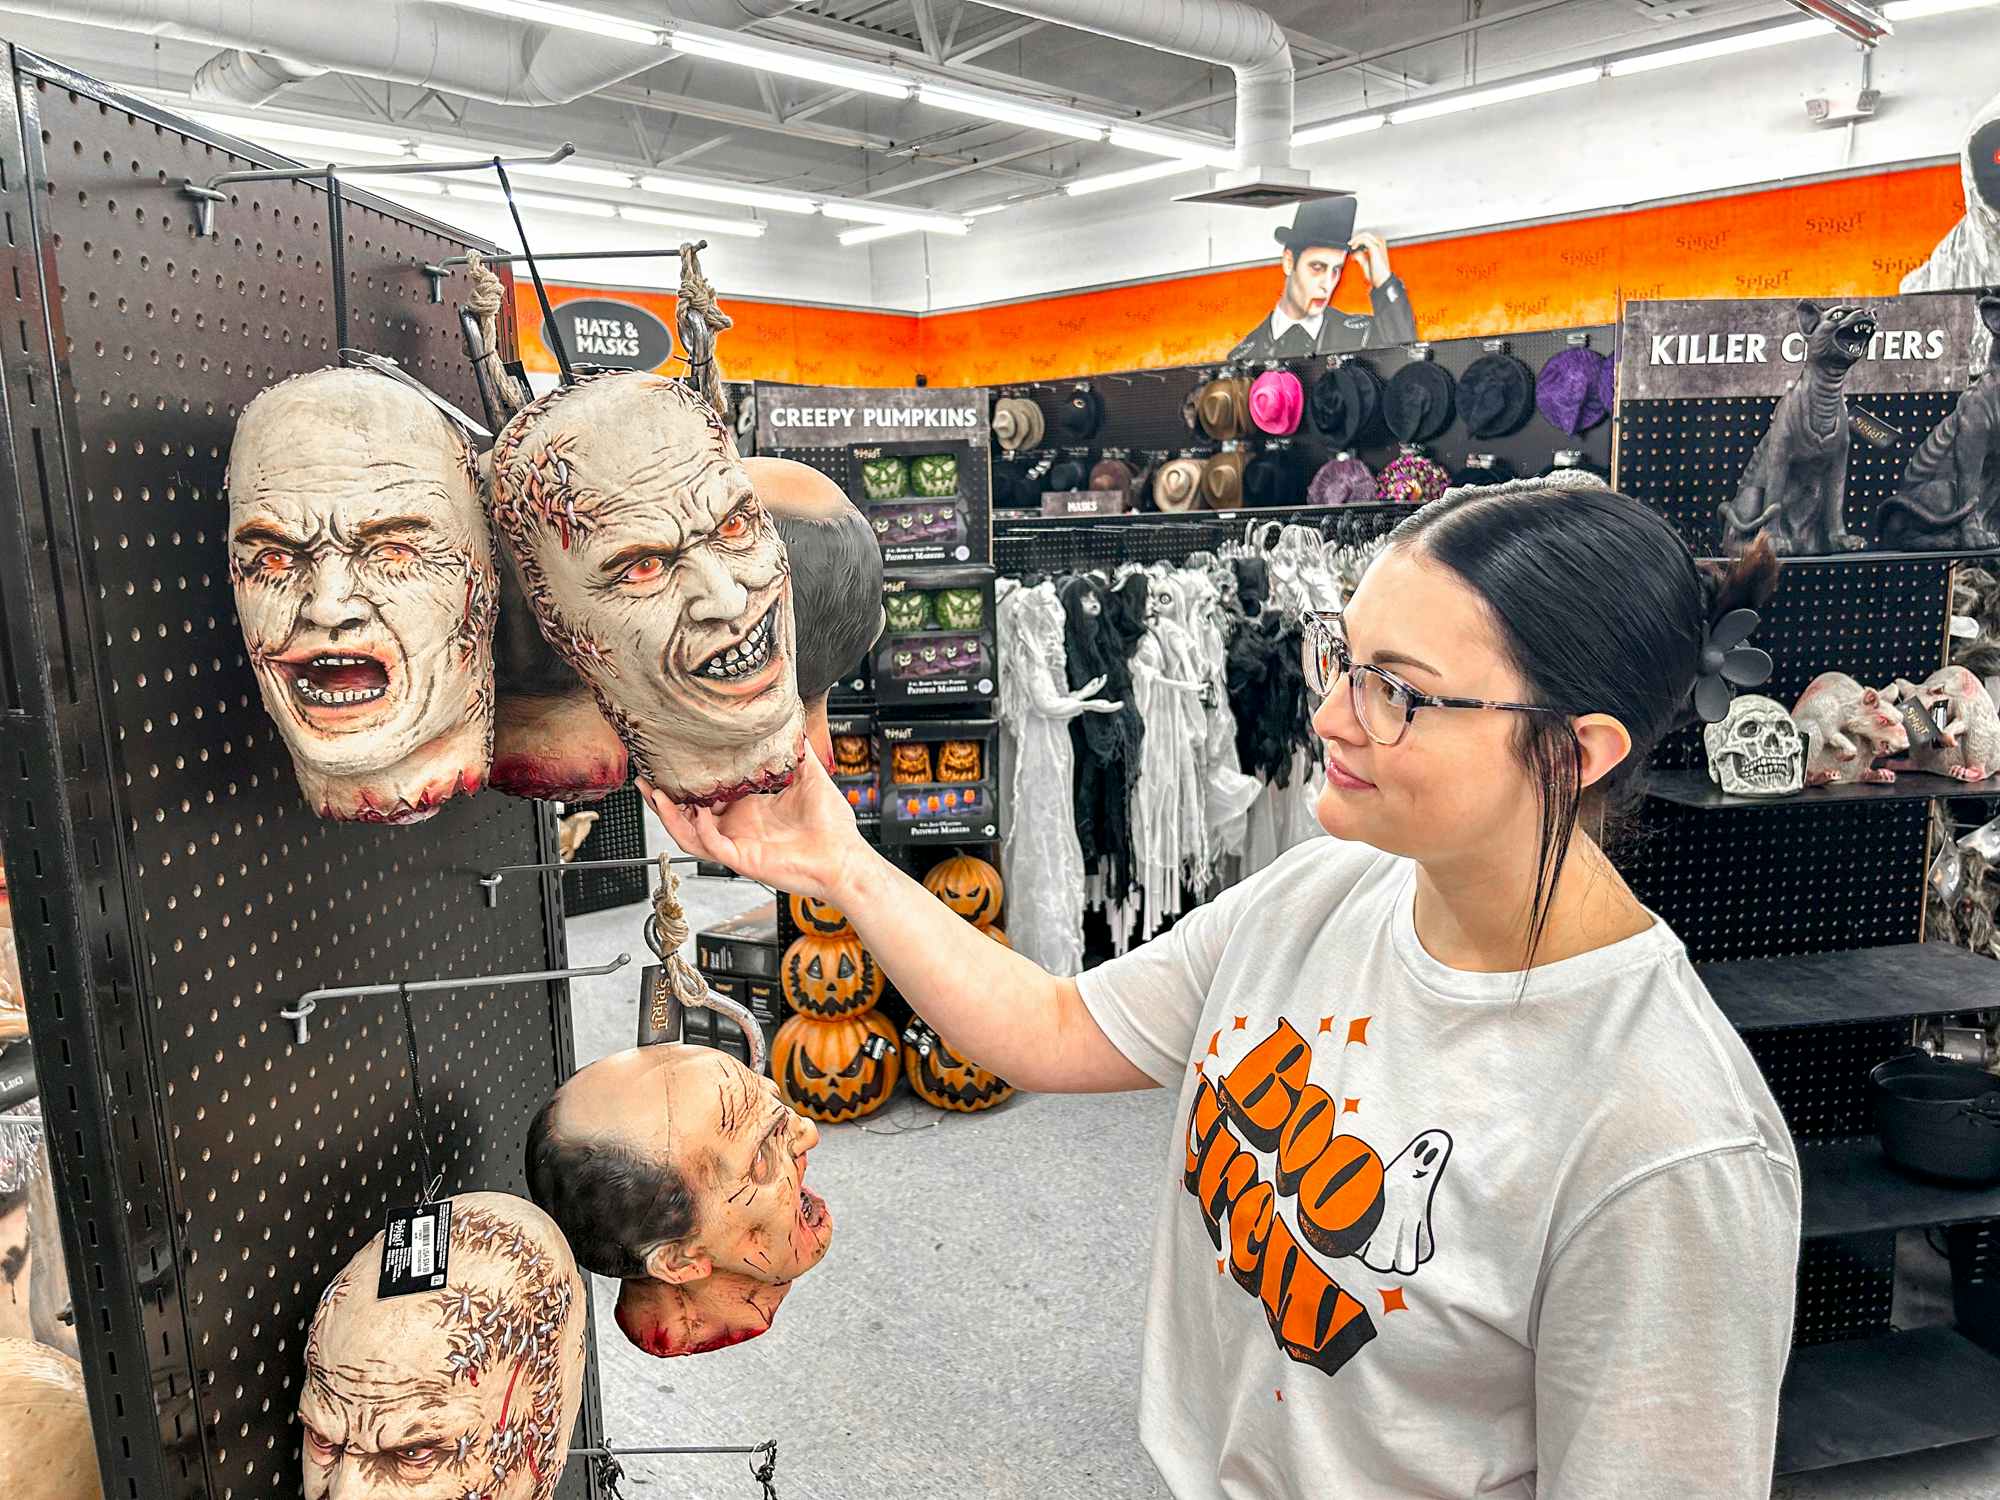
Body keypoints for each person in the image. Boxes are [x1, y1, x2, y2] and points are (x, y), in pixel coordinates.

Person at [641, 484, 1802, 1500]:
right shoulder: (1327, 888)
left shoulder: (1666, 1148)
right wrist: (832, 857)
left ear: (1570, 751)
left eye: (1397, 691)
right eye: (1339, 657)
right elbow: (1053, 1028)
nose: (1332, 714)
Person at [1227, 194, 1418, 360]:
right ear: (1289, 262)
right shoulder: (1244, 356)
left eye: (1336, 270)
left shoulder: (1363, 334)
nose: (1327, 284)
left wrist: (1384, 283)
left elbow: (1406, 361)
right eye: (1317, 267)